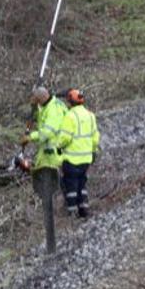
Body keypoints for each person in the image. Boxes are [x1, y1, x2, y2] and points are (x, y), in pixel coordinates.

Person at [20, 86, 67, 253]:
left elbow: (46, 133)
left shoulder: (53, 110)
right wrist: (34, 112)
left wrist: (30, 136)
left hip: (53, 156)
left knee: (51, 191)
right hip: (46, 155)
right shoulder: (46, 107)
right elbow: (41, 120)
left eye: (34, 100)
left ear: (40, 98)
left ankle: (54, 240)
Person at [57, 88, 100, 219]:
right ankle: (84, 209)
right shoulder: (90, 115)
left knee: (71, 185)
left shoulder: (70, 116)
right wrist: (93, 151)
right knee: (82, 183)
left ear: (70, 101)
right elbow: (95, 137)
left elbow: (65, 138)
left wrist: (58, 146)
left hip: (72, 158)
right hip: (86, 158)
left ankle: (72, 211)